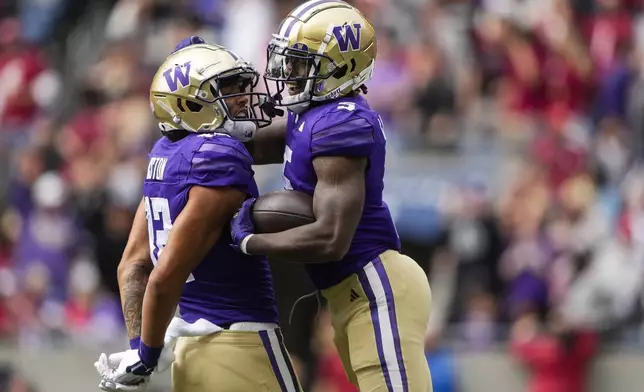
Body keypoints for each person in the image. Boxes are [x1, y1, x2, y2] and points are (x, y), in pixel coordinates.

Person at [230, 1, 433, 391]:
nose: (287, 73)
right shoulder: (311, 115)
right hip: (347, 294)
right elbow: (250, 147)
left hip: (376, 287)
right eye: (287, 61)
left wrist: (249, 242)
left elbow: (331, 238)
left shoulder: (341, 122)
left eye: (300, 64)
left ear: (340, 66)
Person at [94, 40, 302, 392]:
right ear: (189, 102)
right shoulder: (219, 155)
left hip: (191, 352)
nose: (241, 96)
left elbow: (132, 264)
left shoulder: (164, 155)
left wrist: (141, 347)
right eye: (228, 88)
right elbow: (165, 274)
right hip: (241, 346)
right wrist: (147, 352)